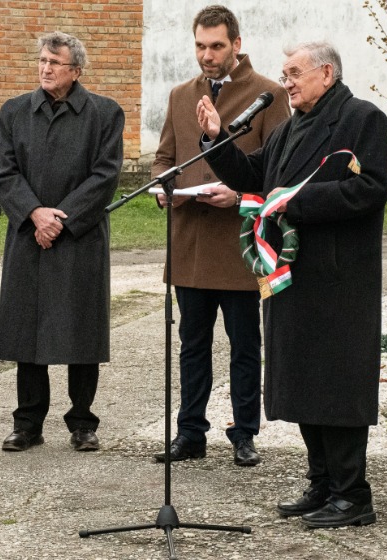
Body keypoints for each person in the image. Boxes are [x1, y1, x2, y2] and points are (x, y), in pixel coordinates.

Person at [197, 41, 387, 528]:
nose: (286, 81)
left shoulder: (362, 118)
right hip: (292, 279)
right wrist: (216, 139)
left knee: (338, 385)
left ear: (326, 73)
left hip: (338, 280)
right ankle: (322, 483)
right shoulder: (288, 129)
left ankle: (353, 495)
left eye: (294, 73)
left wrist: (294, 204)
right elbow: (254, 175)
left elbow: (370, 189)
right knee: (305, 382)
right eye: (284, 73)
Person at [150, 5, 290, 467]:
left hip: (239, 245)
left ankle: (244, 432)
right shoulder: (178, 95)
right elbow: (163, 157)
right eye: (200, 46)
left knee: (245, 345)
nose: (206, 56)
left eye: (216, 46)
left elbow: (279, 170)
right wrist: (163, 190)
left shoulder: (269, 95)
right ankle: (190, 432)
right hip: (189, 240)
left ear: (237, 44)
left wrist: (241, 195)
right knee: (192, 345)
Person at [0, 31, 124, 453]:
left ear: (76, 71)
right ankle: (27, 422)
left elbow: (105, 176)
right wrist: (34, 214)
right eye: (42, 61)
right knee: (27, 332)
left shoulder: (105, 113)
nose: (46, 68)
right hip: (29, 236)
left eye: (56, 62)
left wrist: (61, 220)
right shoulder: (15, 112)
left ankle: (82, 422)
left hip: (78, 238)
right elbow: (4, 172)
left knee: (80, 330)